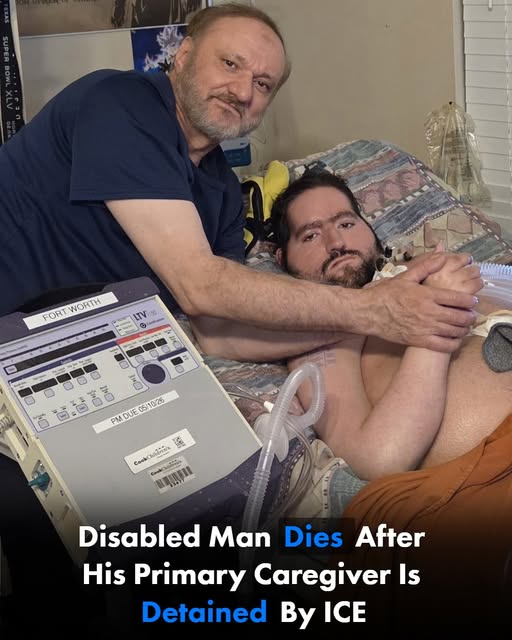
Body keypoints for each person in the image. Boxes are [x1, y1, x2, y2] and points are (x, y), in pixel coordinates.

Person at [0, 3, 477, 361]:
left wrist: (371, 321)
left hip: (65, 355)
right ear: (183, 56)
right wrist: (372, 310)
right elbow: (200, 285)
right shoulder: (119, 104)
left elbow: (218, 334)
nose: (243, 91)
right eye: (230, 64)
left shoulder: (224, 195)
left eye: (263, 84)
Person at [269, 170, 510, 481]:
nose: (336, 242)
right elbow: (376, 458)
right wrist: (437, 317)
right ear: (282, 258)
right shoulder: (320, 333)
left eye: (346, 224)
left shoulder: (427, 267)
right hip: (494, 470)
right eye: (311, 235)